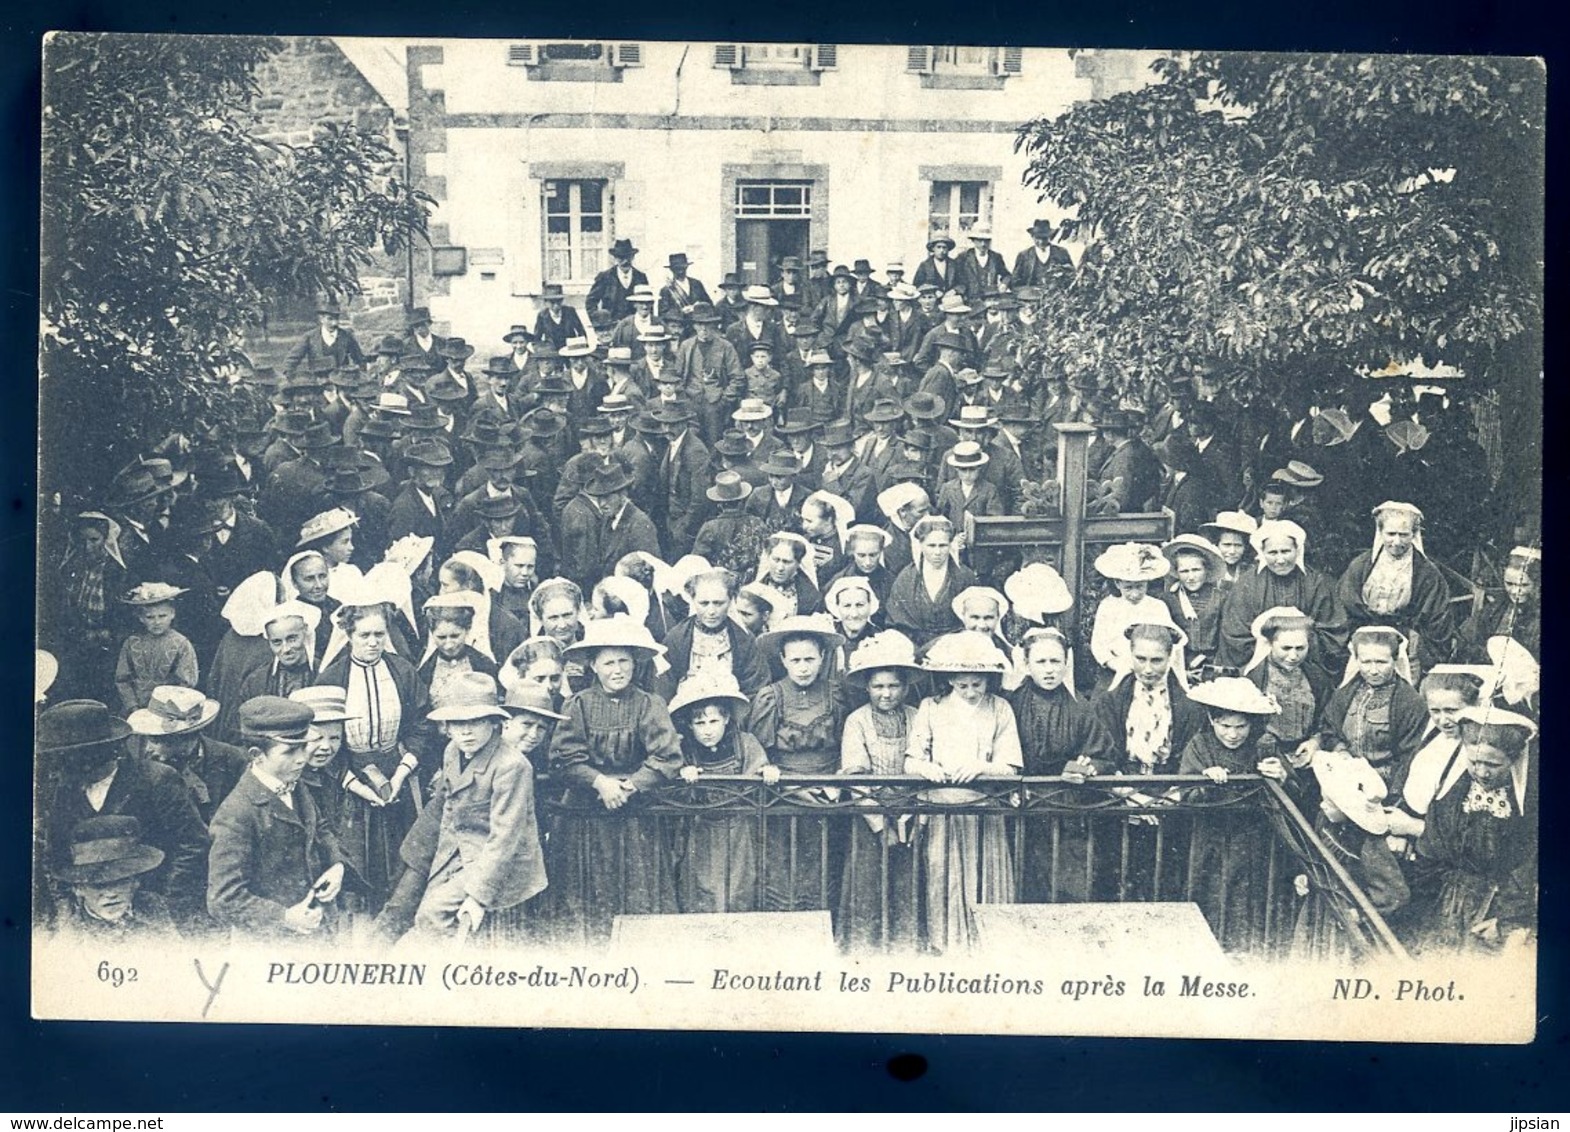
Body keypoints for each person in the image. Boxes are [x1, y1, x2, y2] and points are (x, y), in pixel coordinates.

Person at [547, 616, 683, 940]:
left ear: (635, 664)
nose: (617, 670)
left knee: (640, 889)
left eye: (624, 661)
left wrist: (631, 785)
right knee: (587, 892)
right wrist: (600, 783)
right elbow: (564, 758)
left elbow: (667, 756)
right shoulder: (577, 704)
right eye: (608, 662)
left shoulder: (650, 704)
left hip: (637, 815)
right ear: (593, 665)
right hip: (586, 816)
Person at [400, 672, 547, 941]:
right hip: (460, 853)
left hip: (502, 863)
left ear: (494, 723)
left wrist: (478, 896)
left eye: (475, 721)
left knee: (432, 915)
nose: (466, 732)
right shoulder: (452, 752)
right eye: (457, 723)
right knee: (427, 906)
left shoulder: (512, 766)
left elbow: (505, 839)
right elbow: (449, 814)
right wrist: (440, 871)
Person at [39, 699, 209, 931]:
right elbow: (55, 854)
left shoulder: (156, 780)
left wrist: (167, 903)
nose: (57, 767)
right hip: (91, 914)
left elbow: (193, 845)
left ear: (97, 752)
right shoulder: (63, 790)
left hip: (157, 909)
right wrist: (66, 911)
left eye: (65, 756)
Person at [904, 631, 1022, 953]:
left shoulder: (1001, 709)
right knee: (946, 880)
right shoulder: (930, 707)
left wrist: (980, 767)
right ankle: (948, 946)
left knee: (984, 879)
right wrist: (926, 768)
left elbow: (1011, 766)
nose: (971, 692)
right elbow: (911, 760)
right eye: (962, 685)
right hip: (941, 810)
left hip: (983, 810)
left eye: (977, 684)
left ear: (988, 679)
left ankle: (987, 945)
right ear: (950, 680)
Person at [317, 601, 430, 914]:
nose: (373, 642)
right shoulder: (332, 677)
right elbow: (322, 742)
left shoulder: (403, 671)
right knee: (355, 859)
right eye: (364, 634)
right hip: (348, 782)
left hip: (399, 777)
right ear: (349, 634)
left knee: (401, 855)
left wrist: (401, 773)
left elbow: (421, 724)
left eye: (379, 634)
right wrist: (358, 786)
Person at [207, 696, 346, 937]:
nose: (302, 758)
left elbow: (319, 827)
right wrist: (283, 917)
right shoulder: (237, 813)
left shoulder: (292, 781)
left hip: (317, 931)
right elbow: (222, 899)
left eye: (304, 747)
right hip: (269, 944)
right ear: (256, 754)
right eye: (290, 751)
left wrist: (336, 865)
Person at [1408, 706, 1537, 953]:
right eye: (1474, 761)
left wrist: (1505, 921)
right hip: (1444, 902)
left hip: (1495, 910)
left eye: (1492, 764)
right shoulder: (1453, 797)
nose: (1481, 772)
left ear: (1513, 760)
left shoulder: (1526, 808)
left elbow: (1525, 869)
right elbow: (1431, 851)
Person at [749, 614, 850, 912]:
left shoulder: (834, 693)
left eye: (810, 659)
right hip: (783, 793)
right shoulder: (771, 696)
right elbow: (760, 752)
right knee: (784, 860)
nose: (803, 667)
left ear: (822, 658)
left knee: (823, 862)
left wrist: (835, 783)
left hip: (828, 793)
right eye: (795, 660)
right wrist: (789, 786)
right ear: (783, 659)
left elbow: (847, 742)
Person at [1009, 626, 1118, 902]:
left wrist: (1089, 764)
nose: (1049, 670)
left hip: (1067, 809)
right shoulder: (1011, 704)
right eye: (1041, 662)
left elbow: (1104, 754)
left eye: (1055, 662)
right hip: (1023, 805)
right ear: (1026, 664)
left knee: (1067, 885)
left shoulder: (1080, 709)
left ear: (1066, 664)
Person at [1179, 677, 1286, 951]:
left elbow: (1291, 794)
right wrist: (1204, 780)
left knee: (1248, 898)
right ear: (1212, 721)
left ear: (1252, 724)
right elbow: (1186, 795)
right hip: (1211, 838)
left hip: (1252, 839)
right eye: (1225, 726)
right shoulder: (1199, 745)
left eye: (1241, 727)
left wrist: (1281, 775)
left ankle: (1244, 953)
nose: (1233, 734)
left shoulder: (1263, 746)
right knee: (1211, 895)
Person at [836, 630, 923, 950]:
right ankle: (865, 948)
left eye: (893, 686)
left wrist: (913, 818)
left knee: (907, 881)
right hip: (869, 815)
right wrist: (879, 824)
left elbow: (926, 765)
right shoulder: (856, 721)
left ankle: (904, 946)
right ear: (867, 688)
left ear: (904, 687)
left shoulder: (917, 717)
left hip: (912, 812)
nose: (886, 694)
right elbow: (855, 777)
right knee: (868, 881)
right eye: (878, 686)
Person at [667, 672, 778, 914]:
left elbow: (758, 770)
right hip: (700, 830)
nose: (707, 730)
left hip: (739, 831)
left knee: (739, 887)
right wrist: (684, 774)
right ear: (689, 724)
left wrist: (767, 772)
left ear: (726, 718)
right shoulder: (684, 748)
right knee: (702, 887)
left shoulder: (745, 742)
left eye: (713, 722)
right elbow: (671, 783)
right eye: (699, 723)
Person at [1337, 502, 1454, 677]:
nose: (1396, 542)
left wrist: (1415, 642)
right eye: (1391, 534)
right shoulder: (1361, 565)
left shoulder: (1427, 573)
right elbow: (1343, 605)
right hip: (1364, 639)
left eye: (1404, 535)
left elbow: (1437, 620)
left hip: (1407, 643)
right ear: (1380, 532)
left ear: (1414, 534)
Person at [1217, 519, 1349, 673]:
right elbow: (1235, 632)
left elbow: (1333, 631)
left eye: (1286, 551)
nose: (1280, 560)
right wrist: (1271, 653)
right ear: (1262, 552)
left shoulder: (1317, 583)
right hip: (1258, 665)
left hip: (1307, 665)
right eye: (1272, 553)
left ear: (1297, 550)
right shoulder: (1247, 583)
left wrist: (1297, 649)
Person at [128, 685, 247, 826]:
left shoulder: (232, 759)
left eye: (157, 741)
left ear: (184, 738)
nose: (148, 748)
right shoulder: (142, 763)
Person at [51, 816, 177, 941]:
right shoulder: (68, 939)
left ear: (136, 881)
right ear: (77, 888)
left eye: (120, 881)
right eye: (98, 885)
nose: (111, 894)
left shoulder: (159, 911)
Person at [657, 567, 772, 698]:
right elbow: (663, 689)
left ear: (730, 601)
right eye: (704, 603)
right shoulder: (676, 639)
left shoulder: (744, 639)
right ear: (693, 600)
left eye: (718, 603)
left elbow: (756, 687)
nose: (711, 611)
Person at [885, 515, 977, 648]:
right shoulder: (906, 579)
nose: (937, 552)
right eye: (931, 546)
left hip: (956, 647)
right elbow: (896, 622)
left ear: (950, 545)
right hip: (915, 647)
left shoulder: (965, 576)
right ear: (920, 545)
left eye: (943, 546)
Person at [1088, 543, 1173, 684]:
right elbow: (1099, 644)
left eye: (1139, 587)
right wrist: (1114, 664)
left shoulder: (1157, 607)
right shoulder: (1108, 606)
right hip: (1116, 668)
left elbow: (1169, 641)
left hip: (1150, 669)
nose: (1134, 594)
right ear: (1117, 583)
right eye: (1128, 588)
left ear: (1147, 582)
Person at [113, 582, 199, 713]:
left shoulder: (181, 643)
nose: (157, 622)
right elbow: (122, 679)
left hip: (169, 709)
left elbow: (186, 683)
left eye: (162, 616)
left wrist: (169, 709)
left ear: (172, 614)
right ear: (141, 618)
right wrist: (133, 706)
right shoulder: (132, 643)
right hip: (136, 708)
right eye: (150, 617)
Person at [1160, 535, 1228, 672]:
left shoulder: (1221, 597)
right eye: (1184, 571)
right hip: (1179, 663)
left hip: (1213, 662)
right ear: (1177, 573)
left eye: (1196, 570)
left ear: (1206, 570)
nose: (1191, 577)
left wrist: (1216, 662)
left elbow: (1226, 635)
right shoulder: (1168, 599)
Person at [1460, 546, 1540, 661]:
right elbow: (1467, 641)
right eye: (1509, 584)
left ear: (1538, 583)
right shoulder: (1494, 610)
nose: (1515, 591)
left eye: (1524, 585)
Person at [285, 295, 365, 377]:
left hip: (341, 382)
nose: (334, 323)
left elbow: (360, 360)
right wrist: (288, 374)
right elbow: (292, 359)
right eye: (330, 319)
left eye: (336, 318)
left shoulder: (346, 336)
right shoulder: (310, 337)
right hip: (318, 382)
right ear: (321, 319)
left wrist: (361, 378)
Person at [586, 238, 649, 323]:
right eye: (621, 258)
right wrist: (599, 321)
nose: (625, 261)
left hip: (634, 327)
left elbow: (648, 302)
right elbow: (590, 302)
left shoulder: (641, 277)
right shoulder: (605, 277)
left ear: (633, 257)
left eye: (628, 257)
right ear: (615, 258)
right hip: (612, 327)